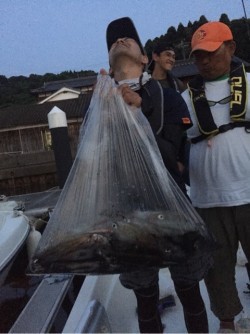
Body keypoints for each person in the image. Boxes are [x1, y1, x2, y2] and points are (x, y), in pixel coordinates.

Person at [106, 16, 213, 333]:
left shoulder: (169, 99)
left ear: (143, 57)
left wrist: (139, 115)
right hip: (129, 218)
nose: (120, 41)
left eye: (128, 38)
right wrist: (105, 118)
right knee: (145, 299)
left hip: (174, 210)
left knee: (189, 292)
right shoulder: (101, 107)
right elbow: (100, 167)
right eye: (112, 42)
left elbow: (177, 161)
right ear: (109, 67)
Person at [181, 21, 250, 333]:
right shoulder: (183, 99)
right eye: (198, 56)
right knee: (217, 268)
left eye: (210, 52)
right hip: (207, 201)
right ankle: (226, 321)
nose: (204, 61)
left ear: (231, 48)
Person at [149, 41, 189, 189]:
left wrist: (180, 159)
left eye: (173, 56)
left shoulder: (178, 85)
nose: (171, 59)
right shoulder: (145, 84)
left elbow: (184, 126)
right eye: (167, 55)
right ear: (155, 56)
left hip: (175, 146)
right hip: (152, 144)